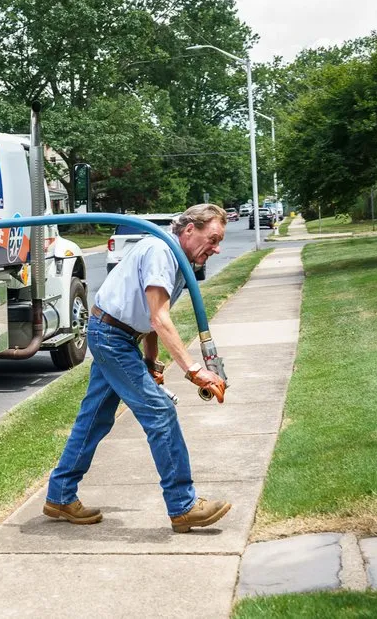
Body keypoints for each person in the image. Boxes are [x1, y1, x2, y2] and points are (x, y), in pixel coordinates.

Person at [44, 204, 231, 533]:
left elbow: (149, 317)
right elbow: (160, 318)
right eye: (212, 239)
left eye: (218, 242)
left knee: (94, 418)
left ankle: (59, 496)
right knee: (160, 413)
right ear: (190, 230)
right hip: (111, 337)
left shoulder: (175, 258)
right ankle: (183, 505)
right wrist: (194, 371)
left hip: (116, 335)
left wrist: (150, 358)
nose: (216, 248)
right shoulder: (161, 251)